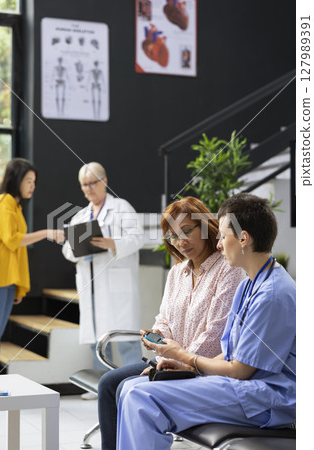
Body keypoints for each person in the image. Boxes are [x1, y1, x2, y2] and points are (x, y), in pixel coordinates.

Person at [116, 193, 296, 450]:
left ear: (243, 239)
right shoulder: (249, 284)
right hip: (242, 385)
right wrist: (191, 368)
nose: (219, 245)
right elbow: (231, 354)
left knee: (141, 397)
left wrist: (186, 357)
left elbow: (240, 370)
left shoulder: (273, 294)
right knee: (131, 388)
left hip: (267, 397)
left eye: (223, 236)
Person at [98, 196, 245, 449]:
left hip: (201, 365)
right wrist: (156, 334)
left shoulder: (227, 269)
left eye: (186, 231)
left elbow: (217, 333)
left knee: (125, 386)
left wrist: (180, 360)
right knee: (108, 384)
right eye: (173, 236)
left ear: (205, 227)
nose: (180, 241)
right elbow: (164, 318)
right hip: (170, 361)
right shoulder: (178, 271)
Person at [62, 162, 144, 376]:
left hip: (117, 284)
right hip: (92, 285)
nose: (88, 188)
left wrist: (112, 243)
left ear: (104, 181)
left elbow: (137, 238)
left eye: (92, 183)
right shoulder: (80, 216)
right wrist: (78, 250)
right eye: (84, 185)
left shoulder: (122, 207)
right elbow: (66, 250)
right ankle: (100, 383)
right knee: (96, 339)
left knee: (125, 339)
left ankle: (133, 382)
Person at [0, 158, 65, 373]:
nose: (32, 186)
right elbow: (13, 240)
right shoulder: (4, 202)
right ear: (16, 180)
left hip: (6, 280)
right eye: (28, 181)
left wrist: (16, 285)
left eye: (34, 182)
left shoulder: (14, 205)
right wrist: (47, 233)